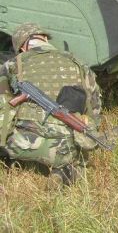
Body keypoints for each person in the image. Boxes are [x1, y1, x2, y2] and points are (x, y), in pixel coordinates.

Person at [0, 23, 103, 185]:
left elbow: (3, 104)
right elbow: (94, 108)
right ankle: (66, 169)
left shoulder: (13, 64)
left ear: (22, 47)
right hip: (68, 143)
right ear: (45, 38)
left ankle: (16, 161)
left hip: (22, 144)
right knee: (75, 155)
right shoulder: (78, 63)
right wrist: (88, 133)